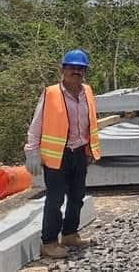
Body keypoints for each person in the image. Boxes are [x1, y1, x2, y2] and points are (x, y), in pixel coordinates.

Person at [24, 49, 101, 259]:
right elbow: (37, 122)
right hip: (57, 155)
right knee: (55, 199)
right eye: (72, 68)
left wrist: (90, 149)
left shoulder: (87, 91)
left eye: (80, 68)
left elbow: (90, 123)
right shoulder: (51, 93)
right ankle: (49, 242)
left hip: (79, 152)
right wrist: (31, 150)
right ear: (63, 69)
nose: (76, 72)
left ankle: (69, 234)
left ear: (85, 71)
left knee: (77, 197)